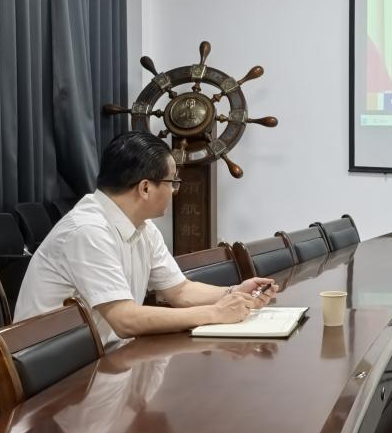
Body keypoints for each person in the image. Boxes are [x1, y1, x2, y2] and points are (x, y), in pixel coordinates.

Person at [16, 132, 277, 346]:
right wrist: (215, 313)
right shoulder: (88, 231)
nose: (174, 190)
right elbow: (125, 320)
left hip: (105, 355)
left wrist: (234, 292)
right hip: (56, 373)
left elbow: (179, 291)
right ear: (145, 187)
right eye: (172, 182)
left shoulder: (144, 228)